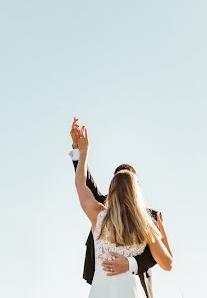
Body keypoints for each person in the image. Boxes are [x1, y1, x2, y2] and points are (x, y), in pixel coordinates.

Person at [71, 119, 173, 298]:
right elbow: (168, 264)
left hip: (101, 291)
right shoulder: (146, 225)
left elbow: (81, 184)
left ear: (111, 190)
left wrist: (84, 151)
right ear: (137, 191)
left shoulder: (98, 216)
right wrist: (161, 232)